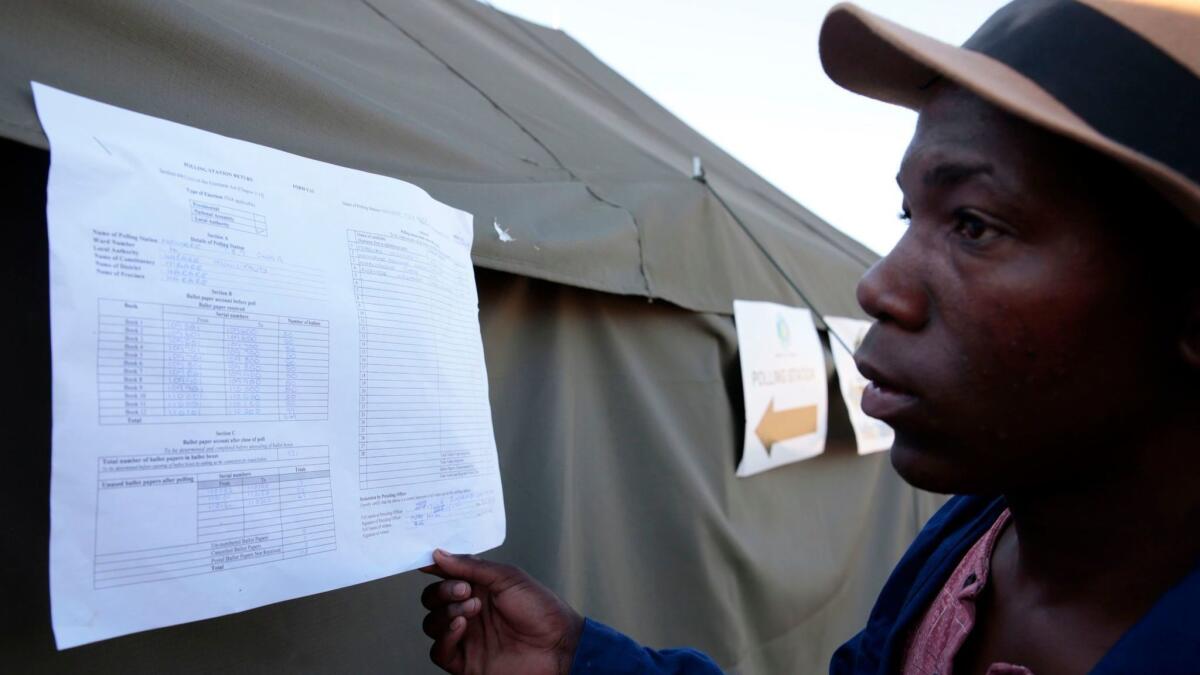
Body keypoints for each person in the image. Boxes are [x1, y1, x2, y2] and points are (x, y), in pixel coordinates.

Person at [418, 0, 1200, 672]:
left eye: (973, 224)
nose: (879, 286)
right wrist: (576, 658)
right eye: (908, 215)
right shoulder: (966, 543)